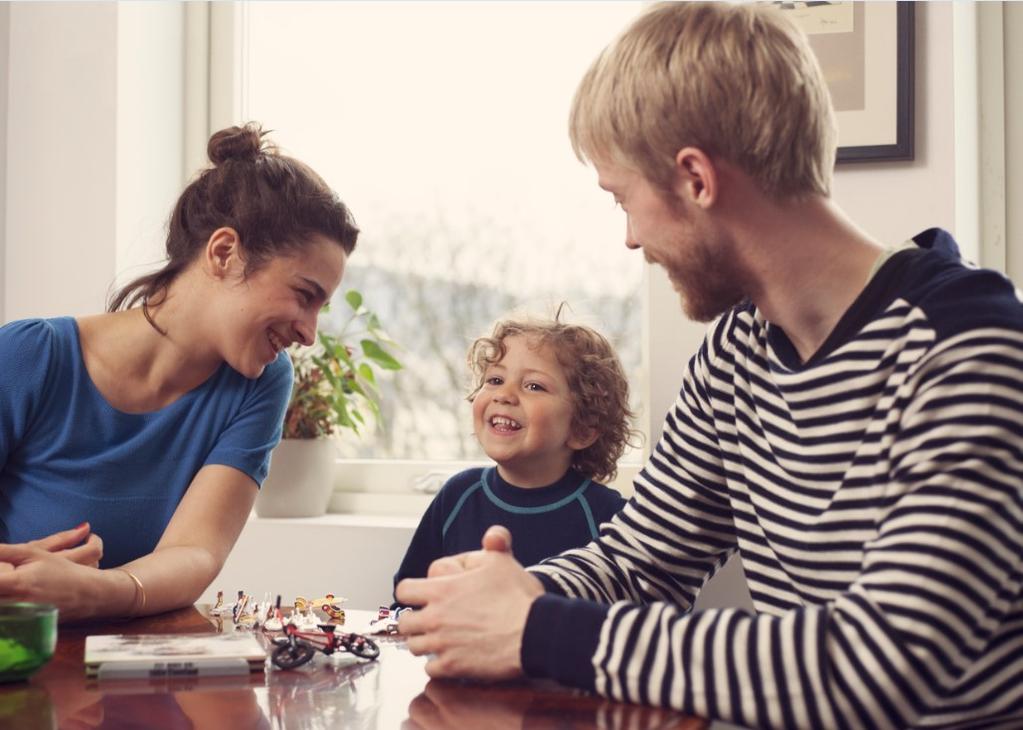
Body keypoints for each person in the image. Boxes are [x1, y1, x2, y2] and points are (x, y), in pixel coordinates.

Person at [396, 3, 1023, 729]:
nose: (630, 238)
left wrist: (534, 629)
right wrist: (497, 600)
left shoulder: (966, 348)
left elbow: (883, 662)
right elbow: (639, 562)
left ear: (694, 178)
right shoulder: (733, 356)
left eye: (622, 197)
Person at [0, 123, 358, 622]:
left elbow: (196, 551)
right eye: (305, 295)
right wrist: (16, 581)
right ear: (223, 253)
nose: (309, 333)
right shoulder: (28, 358)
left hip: (139, 670)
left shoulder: (260, 384)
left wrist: (95, 590)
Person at [392, 316, 635, 604]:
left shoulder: (608, 516)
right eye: (495, 380)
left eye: (533, 386)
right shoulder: (457, 495)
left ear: (582, 429)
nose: (504, 395)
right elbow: (408, 599)